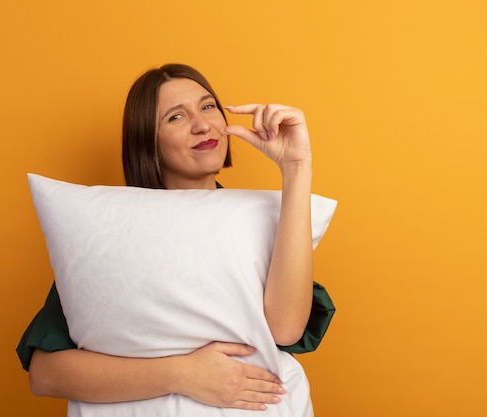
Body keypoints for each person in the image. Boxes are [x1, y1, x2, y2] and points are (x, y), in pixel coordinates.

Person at [18, 63, 323, 415]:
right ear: (147, 141)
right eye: (175, 117)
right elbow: (45, 374)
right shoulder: (109, 231)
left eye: (208, 106)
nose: (202, 124)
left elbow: (285, 329)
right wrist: (184, 374)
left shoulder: (256, 223)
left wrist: (296, 167)